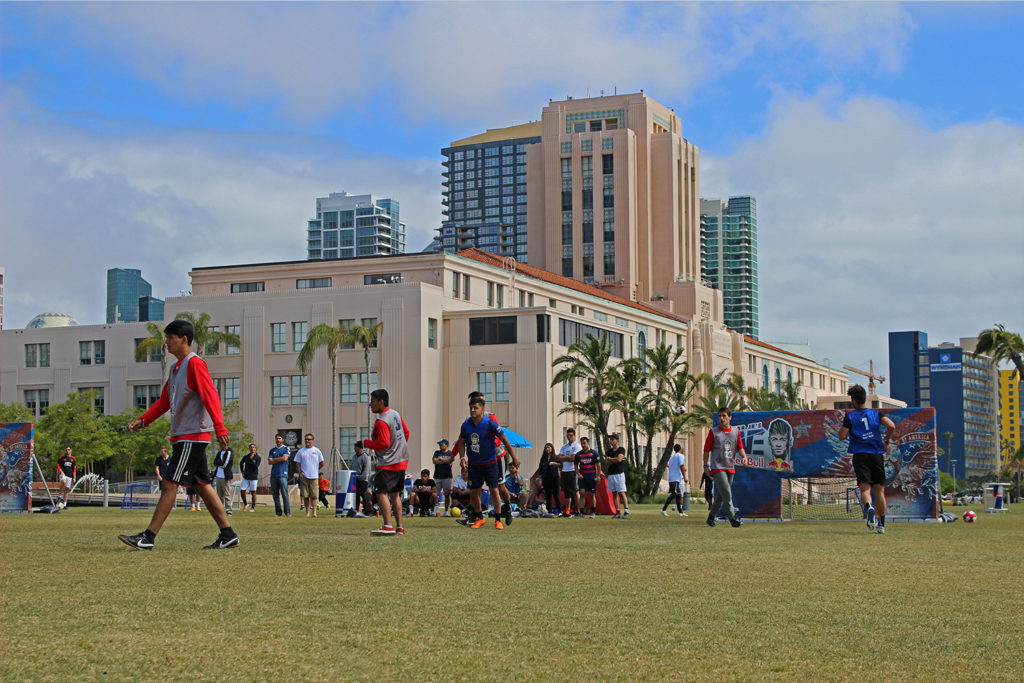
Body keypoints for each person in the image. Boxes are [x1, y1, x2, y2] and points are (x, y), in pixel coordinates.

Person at [118, 319, 238, 550]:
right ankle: (228, 534)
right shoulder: (176, 368)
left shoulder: (195, 364)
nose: (166, 343)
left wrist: (220, 427)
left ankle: (148, 537)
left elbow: (210, 395)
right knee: (202, 484)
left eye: (170, 338)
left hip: (191, 437)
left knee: (169, 484)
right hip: (185, 436)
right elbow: (164, 402)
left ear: (184, 339)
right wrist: (144, 420)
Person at [838, 384, 896, 534]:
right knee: (879, 491)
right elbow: (891, 425)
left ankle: (868, 507)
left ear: (854, 401)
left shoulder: (850, 416)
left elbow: (842, 436)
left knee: (865, 488)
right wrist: (888, 439)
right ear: (864, 399)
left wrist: (847, 429)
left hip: (860, 455)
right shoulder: (876, 414)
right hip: (876, 454)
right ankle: (881, 525)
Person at [455, 394, 517, 530]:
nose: (472, 410)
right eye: (471, 408)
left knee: (497, 489)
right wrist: (461, 458)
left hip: (493, 461)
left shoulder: (490, 421)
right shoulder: (466, 425)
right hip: (474, 464)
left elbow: (504, 440)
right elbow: (461, 443)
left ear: (482, 408)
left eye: (475, 407)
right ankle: (479, 518)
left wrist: (514, 458)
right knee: (473, 491)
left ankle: (501, 515)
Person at [362, 389, 410, 536]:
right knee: (395, 494)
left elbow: (383, 443)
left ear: (381, 402)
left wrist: (366, 443)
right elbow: (406, 433)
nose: (370, 404)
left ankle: (388, 525)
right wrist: (398, 448)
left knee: (381, 493)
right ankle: (400, 527)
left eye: (373, 401)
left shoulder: (382, 420)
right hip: (402, 460)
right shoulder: (395, 414)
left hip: (388, 462)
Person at [702, 407, 745, 528]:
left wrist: (744, 457)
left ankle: (710, 518)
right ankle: (732, 518)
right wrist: (705, 466)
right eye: (720, 416)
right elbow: (706, 450)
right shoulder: (714, 432)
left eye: (724, 416)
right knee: (727, 492)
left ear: (730, 417)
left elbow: (740, 446)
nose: (721, 418)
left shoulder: (736, 431)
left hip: (730, 467)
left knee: (720, 497)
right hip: (717, 467)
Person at [294, 433, 324, 518]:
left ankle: (314, 512)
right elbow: (297, 464)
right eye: (306, 439)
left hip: (314, 476)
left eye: (309, 439)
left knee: (314, 495)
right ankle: (307, 512)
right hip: (304, 476)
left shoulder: (317, 451)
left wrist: (315, 470)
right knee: (305, 495)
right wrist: (300, 474)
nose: (307, 441)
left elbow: (322, 463)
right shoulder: (301, 451)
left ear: (312, 441)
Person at [556, 428, 582, 517]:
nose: (569, 437)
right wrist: (567, 457)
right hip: (564, 470)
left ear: (574, 436)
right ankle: (567, 510)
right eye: (567, 436)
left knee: (575, 490)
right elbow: (558, 458)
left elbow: (573, 458)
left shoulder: (577, 446)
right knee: (566, 491)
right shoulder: (564, 447)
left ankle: (578, 510)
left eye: (571, 436)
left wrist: (565, 457)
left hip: (572, 471)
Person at [574, 436, 603, 518]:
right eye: (582, 444)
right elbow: (575, 465)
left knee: (591, 494)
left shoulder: (594, 453)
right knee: (582, 493)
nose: (583, 445)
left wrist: (598, 476)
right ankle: (582, 513)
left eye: (584, 443)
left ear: (588, 443)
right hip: (582, 477)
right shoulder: (578, 454)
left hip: (592, 477)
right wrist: (578, 474)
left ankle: (593, 512)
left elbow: (599, 465)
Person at [605, 433, 630, 519]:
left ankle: (626, 511)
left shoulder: (621, 449)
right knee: (614, 493)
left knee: (622, 493)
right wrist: (613, 460)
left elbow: (619, 459)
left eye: (612, 439)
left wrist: (611, 459)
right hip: (611, 474)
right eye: (610, 440)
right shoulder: (609, 451)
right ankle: (617, 512)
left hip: (619, 474)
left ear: (617, 440)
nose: (611, 441)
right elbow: (606, 463)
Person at [267, 434, 291, 516]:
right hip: (274, 475)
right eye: (276, 438)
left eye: (279, 438)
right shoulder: (272, 450)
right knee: (275, 495)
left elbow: (285, 458)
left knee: (284, 494)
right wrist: (278, 459)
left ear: (283, 440)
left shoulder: (286, 449)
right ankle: (278, 512)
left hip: (282, 474)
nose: (278, 440)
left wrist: (274, 459)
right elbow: (269, 462)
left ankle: (287, 512)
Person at [662, 443, 687, 517]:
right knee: (674, 494)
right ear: (681, 449)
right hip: (675, 478)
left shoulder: (672, 458)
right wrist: (685, 477)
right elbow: (682, 466)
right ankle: (663, 509)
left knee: (678, 495)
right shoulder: (681, 456)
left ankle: (681, 512)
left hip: (672, 478)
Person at [432, 439, 455, 516]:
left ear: (446, 445)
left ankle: (446, 511)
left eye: (442, 444)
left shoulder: (450, 453)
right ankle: (434, 511)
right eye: (440, 444)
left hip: (447, 476)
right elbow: (434, 461)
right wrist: (445, 461)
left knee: (447, 494)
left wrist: (441, 460)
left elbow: (450, 460)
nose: (440, 445)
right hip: (437, 476)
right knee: (435, 494)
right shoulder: (437, 452)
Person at [537, 443, 562, 515]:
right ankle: (550, 511)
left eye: (549, 447)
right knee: (548, 495)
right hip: (546, 478)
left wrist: (554, 463)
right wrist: (540, 478)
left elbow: (561, 465)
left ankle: (560, 511)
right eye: (546, 448)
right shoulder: (543, 458)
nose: (547, 449)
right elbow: (540, 469)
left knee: (556, 495)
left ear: (552, 448)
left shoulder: (556, 457)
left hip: (554, 478)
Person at [350, 441, 372, 517]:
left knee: (364, 496)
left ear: (359, 448)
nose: (354, 448)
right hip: (354, 479)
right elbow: (352, 466)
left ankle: (367, 511)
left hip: (362, 480)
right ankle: (356, 510)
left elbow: (366, 470)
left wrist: (360, 477)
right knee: (356, 496)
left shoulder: (366, 457)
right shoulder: (354, 456)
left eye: (355, 447)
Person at [212, 443, 234, 516]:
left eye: (222, 444)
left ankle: (229, 511)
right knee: (219, 494)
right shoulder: (219, 452)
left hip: (225, 476)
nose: (221, 446)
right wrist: (219, 462)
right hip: (218, 475)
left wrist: (219, 462)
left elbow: (225, 464)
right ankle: (220, 510)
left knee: (227, 493)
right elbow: (214, 462)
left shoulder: (229, 452)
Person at [238, 443, 260, 512]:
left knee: (253, 492)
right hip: (246, 477)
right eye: (251, 447)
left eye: (253, 447)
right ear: (249, 449)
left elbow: (255, 466)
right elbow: (241, 463)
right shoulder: (246, 456)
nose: (252, 449)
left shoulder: (258, 458)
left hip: (253, 477)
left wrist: (251, 459)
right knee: (242, 491)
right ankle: (245, 504)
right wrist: (242, 471)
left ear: (255, 449)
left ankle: (252, 507)